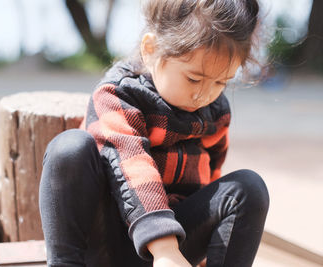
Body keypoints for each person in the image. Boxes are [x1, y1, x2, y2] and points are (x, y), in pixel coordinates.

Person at [39, 0, 269, 266]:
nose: (203, 93)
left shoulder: (215, 111)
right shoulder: (118, 94)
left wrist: (204, 248)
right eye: (193, 78)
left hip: (171, 247)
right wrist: (164, 249)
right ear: (151, 50)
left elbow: (210, 179)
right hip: (109, 242)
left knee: (248, 188)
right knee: (69, 148)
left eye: (221, 82)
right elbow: (132, 164)